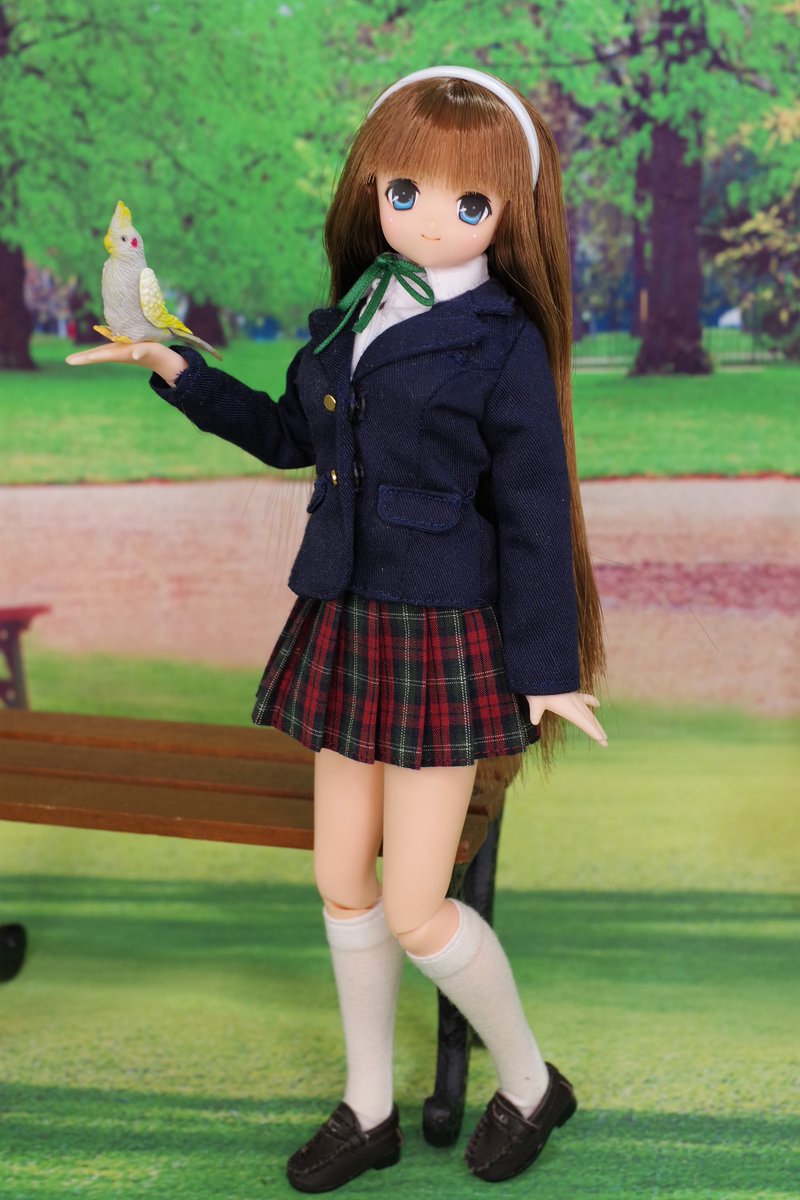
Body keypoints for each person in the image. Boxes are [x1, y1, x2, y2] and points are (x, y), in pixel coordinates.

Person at [67, 65, 607, 1191]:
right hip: (346, 618)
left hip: (441, 635)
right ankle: (368, 1109)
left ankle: (527, 1081)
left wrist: (548, 668)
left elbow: (534, 512)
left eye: (468, 202)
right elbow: (286, 434)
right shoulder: (361, 306)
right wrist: (173, 366)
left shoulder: (500, 338)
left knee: (415, 905)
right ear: (373, 187)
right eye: (405, 191)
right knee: (341, 882)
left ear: (509, 213)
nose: (429, 218)